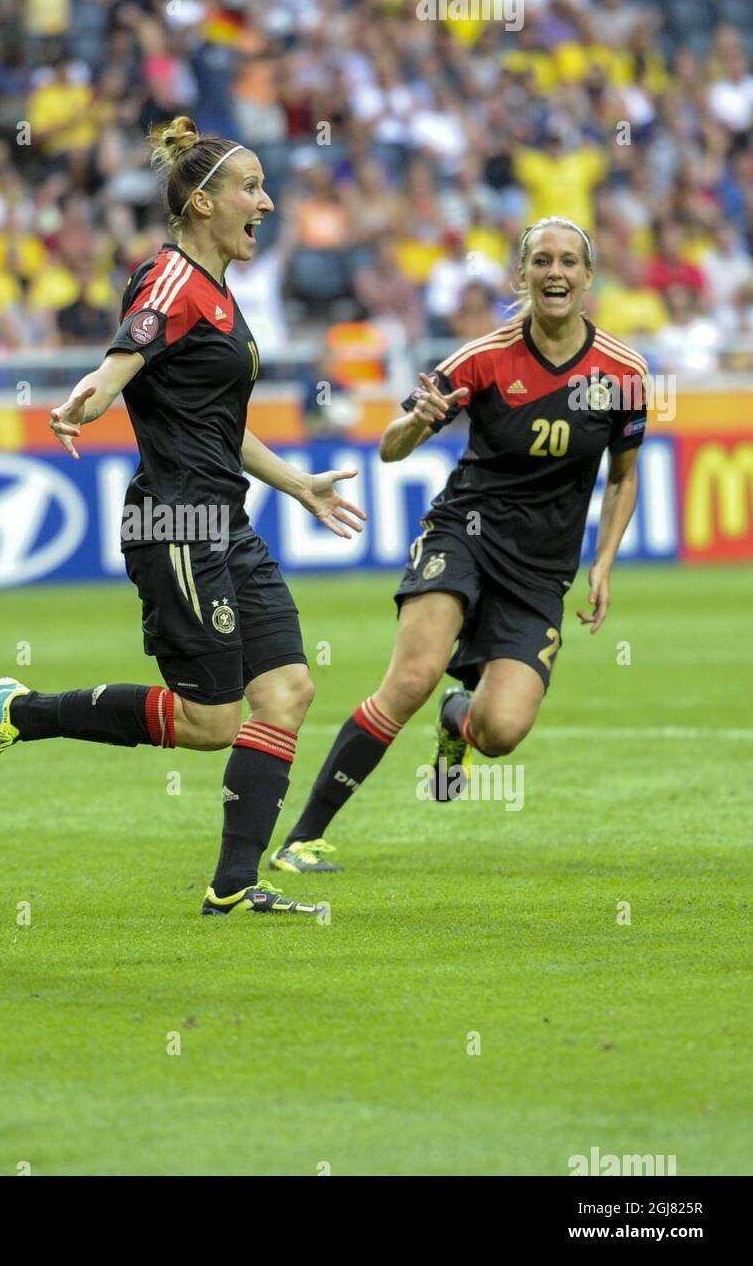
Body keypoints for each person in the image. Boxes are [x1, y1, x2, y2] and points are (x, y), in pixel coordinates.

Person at [0, 115, 365, 917]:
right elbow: (121, 362)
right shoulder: (170, 282)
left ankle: (235, 888)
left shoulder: (216, 294)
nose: (267, 204)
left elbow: (220, 425)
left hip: (226, 522)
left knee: (287, 690)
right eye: (252, 188)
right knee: (211, 722)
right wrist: (88, 400)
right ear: (203, 203)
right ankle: (18, 712)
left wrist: (297, 485)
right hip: (172, 525)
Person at [273, 217, 649, 873]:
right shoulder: (481, 358)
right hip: (462, 537)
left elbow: (624, 475)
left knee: (501, 731)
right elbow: (390, 449)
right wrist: (414, 424)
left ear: (588, 278)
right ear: (522, 275)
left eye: (568, 262)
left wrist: (606, 561)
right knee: (410, 678)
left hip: (540, 571)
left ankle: (459, 720)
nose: (554, 273)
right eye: (541, 261)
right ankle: (302, 839)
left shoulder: (624, 373)